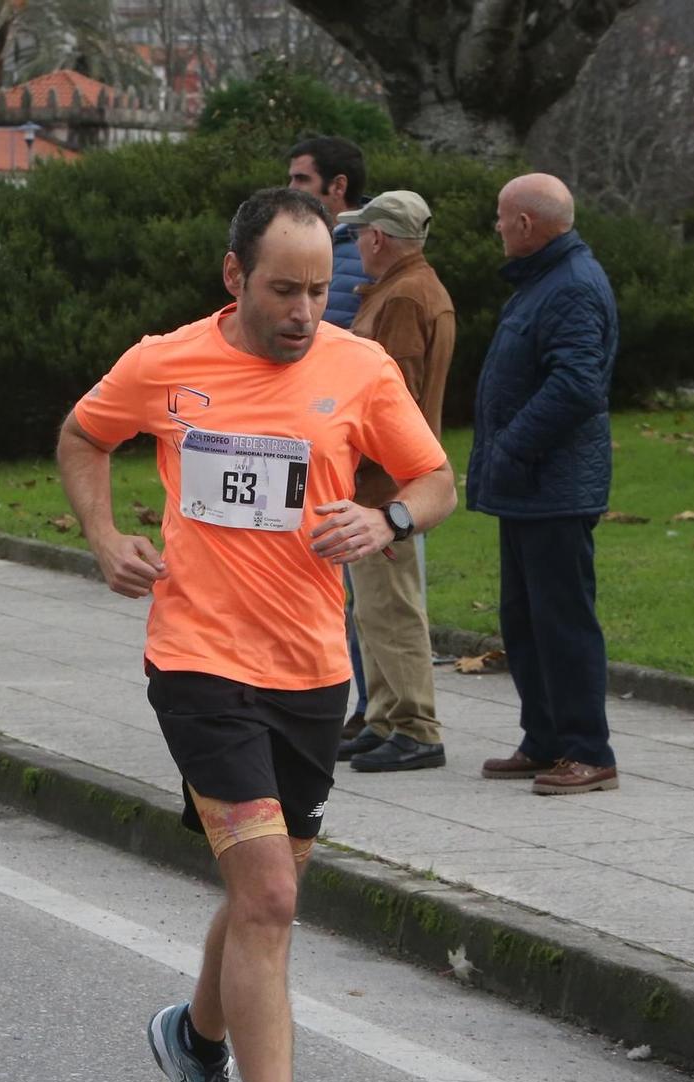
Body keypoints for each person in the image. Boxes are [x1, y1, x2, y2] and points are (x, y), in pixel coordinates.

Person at [57, 187, 456, 1082]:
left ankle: (192, 1037)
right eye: (282, 289)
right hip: (196, 660)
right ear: (232, 277)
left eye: (321, 289)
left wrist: (385, 520)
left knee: (260, 901)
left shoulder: (356, 368)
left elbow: (435, 477)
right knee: (270, 894)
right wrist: (103, 541)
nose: (302, 310)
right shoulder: (165, 362)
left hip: (312, 672)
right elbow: (81, 436)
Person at [468, 174, 621, 796]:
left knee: (562, 620)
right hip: (531, 486)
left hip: (553, 485)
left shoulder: (573, 287)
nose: (497, 228)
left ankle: (588, 750)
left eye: (502, 218)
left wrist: (511, 445)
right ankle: (546, 739)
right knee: (524, 619)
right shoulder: (544, 282)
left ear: (527, 225)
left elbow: (578, 386)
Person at [334, 190, 455, 774]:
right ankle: (385, 715)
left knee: (392, 607)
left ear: (378, 238)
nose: (357, 244)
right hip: (389, 479)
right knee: (375, 609)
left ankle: (414, 725)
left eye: (361, 234)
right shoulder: (410, 289)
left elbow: (391, 397)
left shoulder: (403, 296)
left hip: (387, 485)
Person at [287, 134, 374, 739]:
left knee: (366, 592)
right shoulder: (333, 251)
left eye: (300, 181)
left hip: (346, 446)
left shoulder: (350, 256)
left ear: (335, 188)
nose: (305, 306)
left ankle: (372, 707)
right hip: (305, 441)